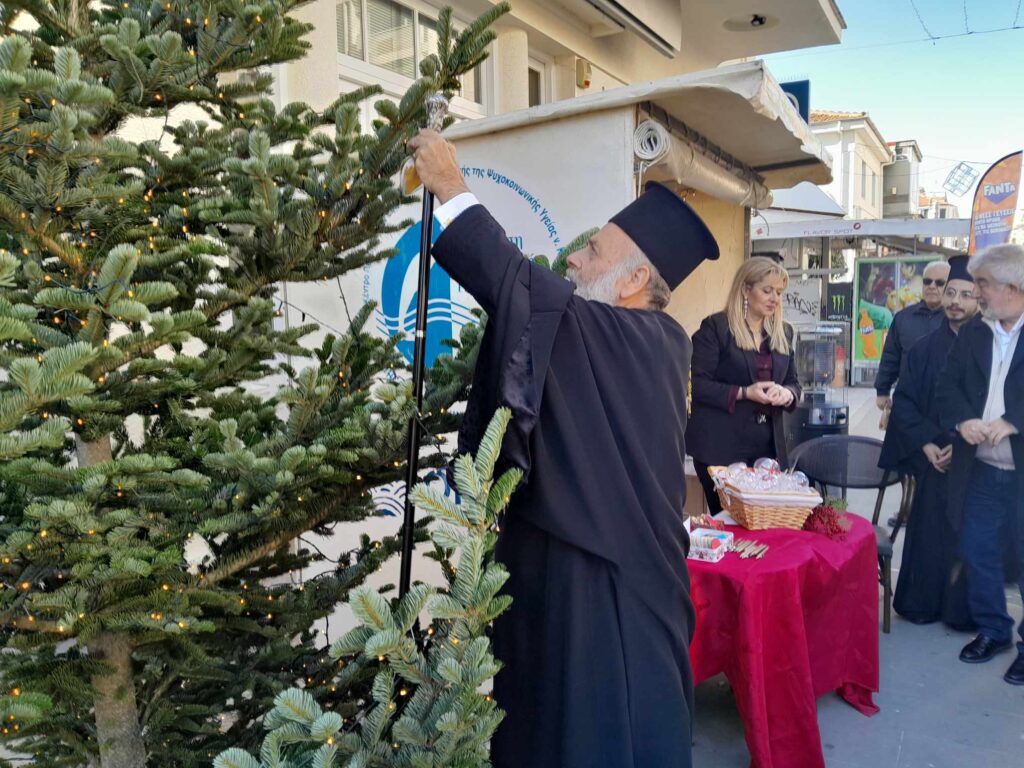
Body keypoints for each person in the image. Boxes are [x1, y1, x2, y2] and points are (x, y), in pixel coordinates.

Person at [409, 129, 720, 767]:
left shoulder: (633, 337)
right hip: (575, 579)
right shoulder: (638, 337)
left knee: (594, 739)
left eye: (593, 249)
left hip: (606, 602)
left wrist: (450, 185)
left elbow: (514, 285)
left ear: (635, 278)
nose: (573, 260)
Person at [935, 244, 1024, 685]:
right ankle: (994, 630)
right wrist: (962, 420)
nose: (977, 293)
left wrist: (1013, 422)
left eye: (984, 285)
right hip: (983, 470)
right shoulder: (975, 332)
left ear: (1013, 288)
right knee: (977, 550)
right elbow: (947, 387)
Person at [890, 255, 978, 629]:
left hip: (975, 461)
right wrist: (926, 443)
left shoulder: (992, 350)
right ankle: (923, 603)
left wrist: (964, 444)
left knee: (969, 538)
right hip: (932, 460)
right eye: (950, 292)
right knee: (927, 534)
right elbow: (905, 400)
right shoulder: (923, 349)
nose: (955, 300)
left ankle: (965, 613)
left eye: (966, 294)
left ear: (979, 302)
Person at [686, 257, 801, 513]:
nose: (775, 298)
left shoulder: (784, 332)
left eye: (780, 292)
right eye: (767, 290)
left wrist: (787, 393)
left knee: (763, 525)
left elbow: (794, 383)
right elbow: (697, 385)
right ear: (746, 289)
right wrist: (743, 392)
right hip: (720, 447)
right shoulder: (716, 328)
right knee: (730, 523)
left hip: (767, 447)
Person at [874, 260, 949, 413]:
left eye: (940, 283)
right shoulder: (903, 318)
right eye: (927, 281)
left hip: (946, 403)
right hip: (908, 401)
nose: (932, 286)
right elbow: (890, 356)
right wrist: (882, 391)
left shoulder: (958, 320)